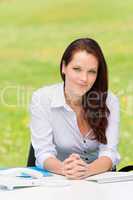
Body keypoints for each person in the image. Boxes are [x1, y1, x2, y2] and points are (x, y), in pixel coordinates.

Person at [29, 38, 120, 180]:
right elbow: (43, 153)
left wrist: (86, 170)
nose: (84, 78)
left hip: (99, 179)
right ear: (63, 67)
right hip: (59, 180)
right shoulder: (42, 99)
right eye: (77, 69)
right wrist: (65, 169)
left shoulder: (109, 101)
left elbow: (109, 153)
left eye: (91, 72)